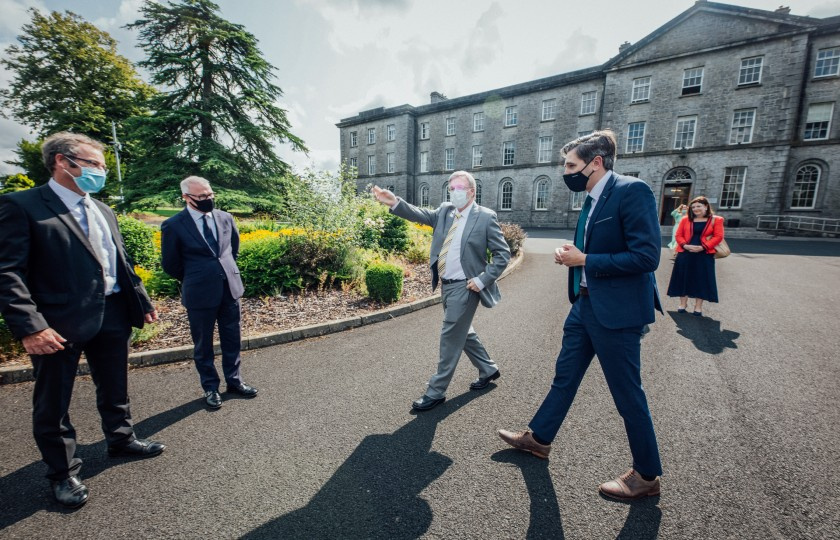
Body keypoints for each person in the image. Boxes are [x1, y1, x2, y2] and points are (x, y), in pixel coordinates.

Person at [0, 132, 165, 508]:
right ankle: (62, 472)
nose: (101, 172)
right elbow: (7, 272)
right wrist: (31, 325)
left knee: (115, 383)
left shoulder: (102, 209)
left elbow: (118, 262)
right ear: (62, 161)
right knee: (53, 400)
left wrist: (141, 301)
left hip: (112, 312)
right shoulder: (22, 206)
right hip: (56, 322)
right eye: (94, 164)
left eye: (102, 166)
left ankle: (121, 439)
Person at [497, 130, 664, 501]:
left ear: (597, 163)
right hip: (586, 304)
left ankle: (647, 476)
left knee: (627, 396)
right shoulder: (591, 199)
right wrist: (573, 253)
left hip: (618, 313)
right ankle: (539, 439)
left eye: (572, 165)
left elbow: (647, 257)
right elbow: (597, 248)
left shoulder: (631, 191)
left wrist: (585, 259)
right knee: (564, 377)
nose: (566, 172)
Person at [372, 171, 510, 411]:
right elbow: (419, 214)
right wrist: (394, 202)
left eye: (458, 187)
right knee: (462, 332)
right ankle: (488, 368)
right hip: (446, 285)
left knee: (449, 337)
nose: (453, 191)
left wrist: (482, 279)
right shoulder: (445, 211)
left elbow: (503, 255)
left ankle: (436, 391)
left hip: (466, 287)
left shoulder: (485, 218)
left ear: (471, 191)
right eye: (451, 187)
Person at [161, 176, 257, 409]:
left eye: (210, 194)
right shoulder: (173, 225)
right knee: (203, 344)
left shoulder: (225, 217)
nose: (208, 199)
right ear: (186, 197)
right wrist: (197, 276)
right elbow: (171, 264)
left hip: (229, 288)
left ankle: (234, 382)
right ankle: (210, 388)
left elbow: (232, 250)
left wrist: (224, 271)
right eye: (202, 196)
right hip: (199, 292)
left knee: (232, 338)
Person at [666, 196, 723, 316]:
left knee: (701, 279)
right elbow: (678, 235)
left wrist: (703, 247)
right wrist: (685, 245)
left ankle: (698, 306)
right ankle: (683, 303)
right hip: (685, 253)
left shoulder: (716, 220)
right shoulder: (685, 219)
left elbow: (718, 236)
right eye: (693, 207)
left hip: (704, 254)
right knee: (683, 278)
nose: (696, 209)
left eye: (699, 206)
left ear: (706, 206)